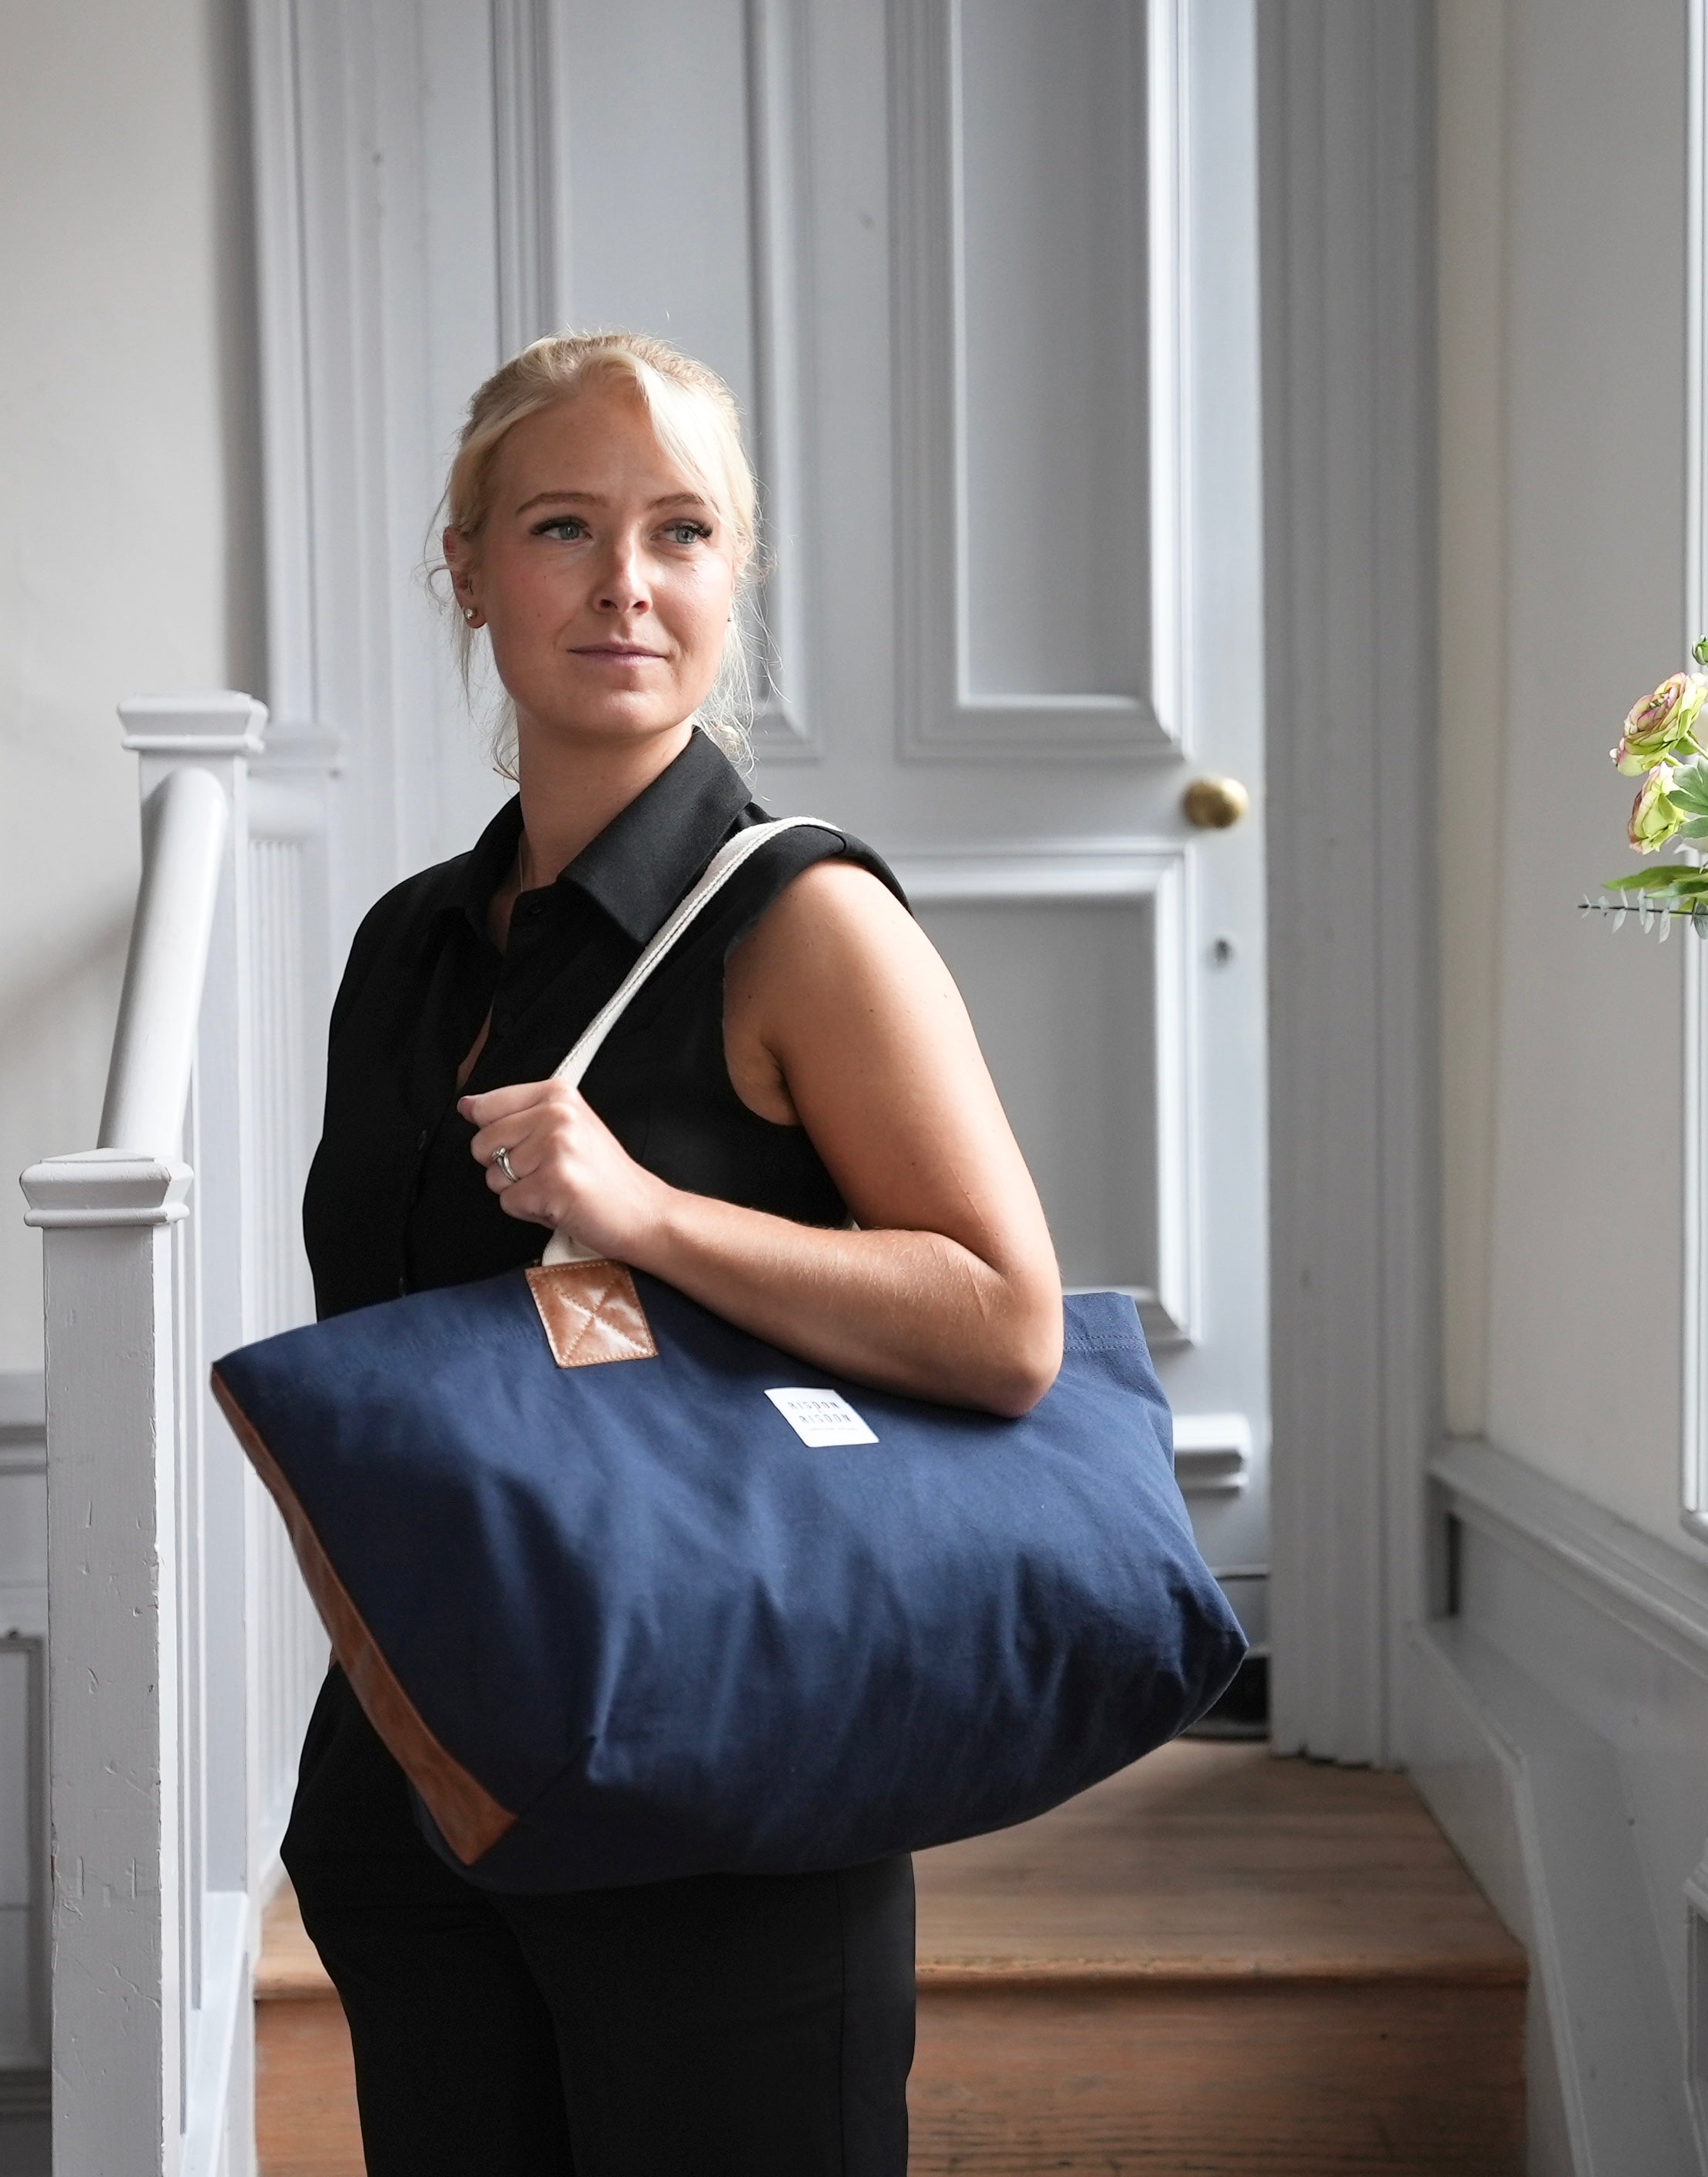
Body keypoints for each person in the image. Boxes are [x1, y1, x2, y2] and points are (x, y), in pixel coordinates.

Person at [281, 331, 1064, 2174]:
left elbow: (1004, 1321)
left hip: (713, 1780)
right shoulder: (409, 944)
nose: (627, 583)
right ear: (465, 570)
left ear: (736, 577)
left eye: (683, 532)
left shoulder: (807, 923)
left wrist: (641, 1212)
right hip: (422, 1776)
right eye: (563, 526)